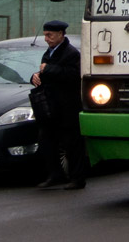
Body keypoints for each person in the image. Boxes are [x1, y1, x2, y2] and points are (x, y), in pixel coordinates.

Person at [29, 19, 88, 189]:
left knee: (72, 143)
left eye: (50, 35)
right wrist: (35, 77)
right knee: (47, 140)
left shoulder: (71, 53)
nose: (46, 38)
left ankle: (77, 178)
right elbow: (44, 72)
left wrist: (47, 70)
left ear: (61, 34)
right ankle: (56, 174)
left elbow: (74, 75)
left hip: (67, 106)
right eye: (45, 35)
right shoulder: (49, 53)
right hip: (50, 107)